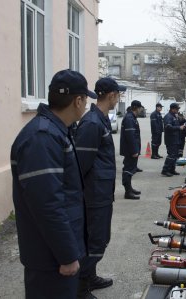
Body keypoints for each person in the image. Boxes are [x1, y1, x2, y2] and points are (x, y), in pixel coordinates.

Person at [10, 69, 96, 299]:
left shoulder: (56, 132)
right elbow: (47, 204)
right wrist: (67, 255)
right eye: (85, 100)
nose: (86, 105)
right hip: (50, 258)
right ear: (77, 101)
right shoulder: (42, 137)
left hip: (54, 252)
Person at [75, 77, 124, 298]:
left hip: (101, 192)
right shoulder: (92, 122)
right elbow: (81, 164)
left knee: (97, 238)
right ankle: (80, 288)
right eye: (118, 94)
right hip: (94, 195)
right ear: (112, 95)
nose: (119, 98)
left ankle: (90, 276)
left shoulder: (100, 119)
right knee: (96, 239)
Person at [120, 100, 143, 200]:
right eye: (140, 108)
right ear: (136, 108)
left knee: (130, 169)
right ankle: (127, 192)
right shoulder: (129, 118)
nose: (141, 109)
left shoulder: (132, 117)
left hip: (131, 149)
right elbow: (130, 136)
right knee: (128, 170)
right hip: (130, 150)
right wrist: (134, 151)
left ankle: (129, 188)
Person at [162, 103, 186, 176]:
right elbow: (168, 127)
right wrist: (179, 128)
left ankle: (172, 169)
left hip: (176, 139)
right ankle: (165, 170)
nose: (178, 110)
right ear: (173, 109)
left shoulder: (174, 116)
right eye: (177, 109)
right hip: (171, 140)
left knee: (175, 156)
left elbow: (177, 123)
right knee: (171, 155)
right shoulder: (168, 117)